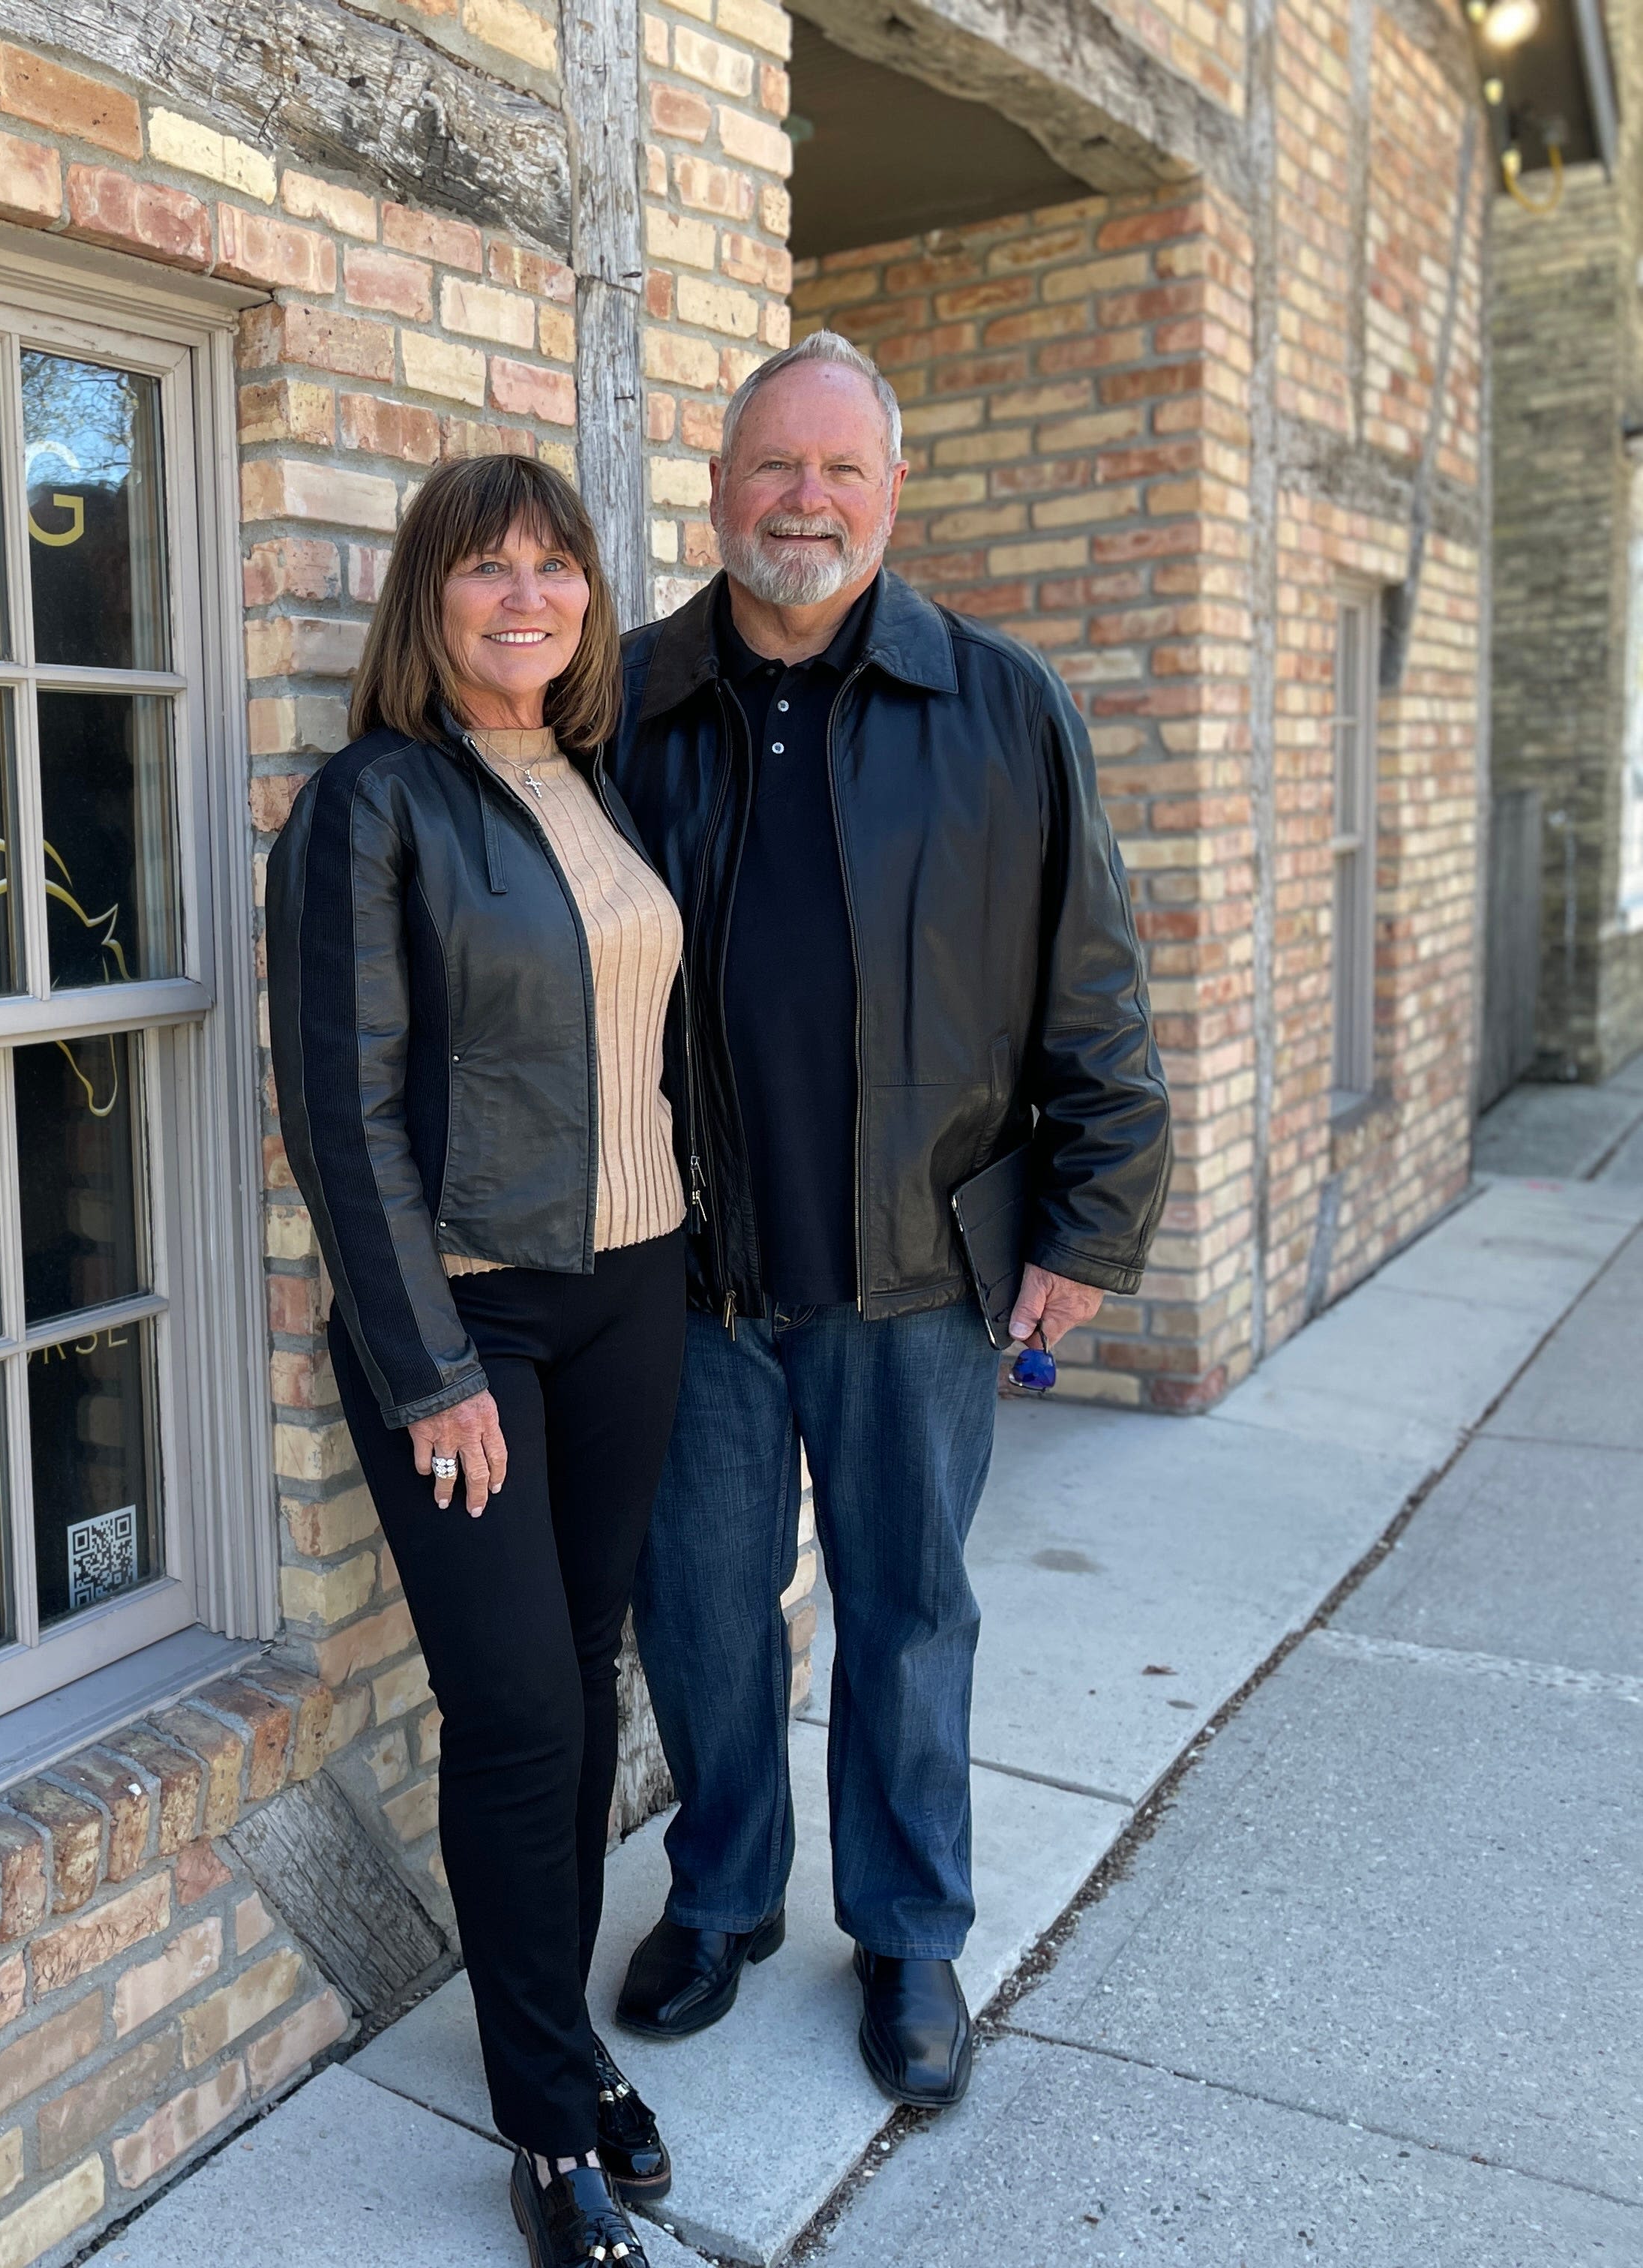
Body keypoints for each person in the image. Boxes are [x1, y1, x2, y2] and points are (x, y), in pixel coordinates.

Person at [605, 329, 1171, 2109]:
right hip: (685, 1269)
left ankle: (912, 1929)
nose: (808, 501)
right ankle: (723, 1898)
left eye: (844, 471)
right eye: (777, 466)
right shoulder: (624, 706)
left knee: (907, 1608)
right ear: (718, 490)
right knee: (699, 1611)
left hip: (918, 1265)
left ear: (892, 491)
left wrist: (1090, 1228)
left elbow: (1095, 991)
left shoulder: (1000, 706)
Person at [268, 454, 687, 2268]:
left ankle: (563, 2037)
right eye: (486, 570)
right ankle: (544, 2128)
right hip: (469, 1319)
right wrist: (427, 1364)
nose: (528, 597)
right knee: (518, 1708)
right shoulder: (372, 805)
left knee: (588, 1685)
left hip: (636, 1289)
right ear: (425, 603)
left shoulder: (597, 783)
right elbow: (341, 1112)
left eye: (557, 567)